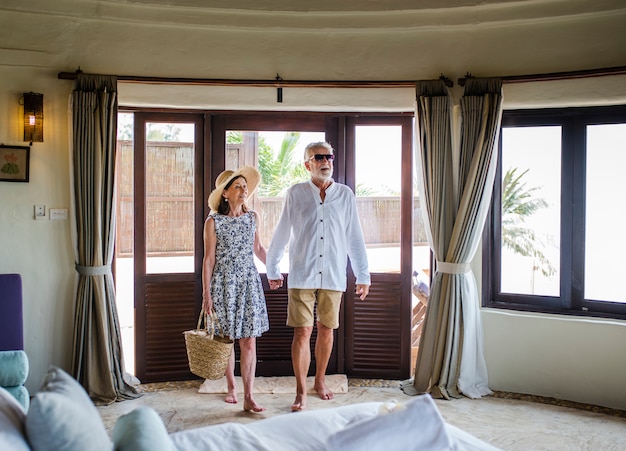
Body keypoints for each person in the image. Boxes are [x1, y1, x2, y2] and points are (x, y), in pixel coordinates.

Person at [266, 141, 370, 412]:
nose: (325, 161)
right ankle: (301, 391)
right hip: (302, 273)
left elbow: (354, 237)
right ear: (307, 164)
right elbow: (282, 232)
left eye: (329, 156)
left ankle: (319, 382)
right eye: (318, 157)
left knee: (326, 329)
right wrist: (273, 268)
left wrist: (363, 274)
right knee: (302, 332)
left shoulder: (345, 195)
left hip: (334, 274)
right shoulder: (295, 193)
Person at [202, 166, 269, 413]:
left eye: (245, 186)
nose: (244, 190)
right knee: (227, 340)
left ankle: (249, 395)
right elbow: (209, 259)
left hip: (248, 282)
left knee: (249, 341)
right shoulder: (213, 221)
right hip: (223, 283)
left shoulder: (253, 217)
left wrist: (273, 270)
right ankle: (231, 387)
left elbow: (259, 249)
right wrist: (206, 293)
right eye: (238, 186)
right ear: (226, 193)